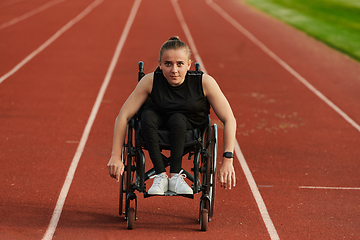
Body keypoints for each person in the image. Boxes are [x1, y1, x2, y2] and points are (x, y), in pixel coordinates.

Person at [107, 36, 236, 195]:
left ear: (189, 65)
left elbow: (229, 119)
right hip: (155, 128)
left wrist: (228, 160)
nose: (174, 70)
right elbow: (123, 116)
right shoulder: (151, 81)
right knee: (147, 115)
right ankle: (160, 176)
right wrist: (115, 156)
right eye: (168, 64)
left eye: (180, 64)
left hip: (189, 131)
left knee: (178, 119)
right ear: (160, 64)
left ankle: (175, 177)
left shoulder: (204, 82)